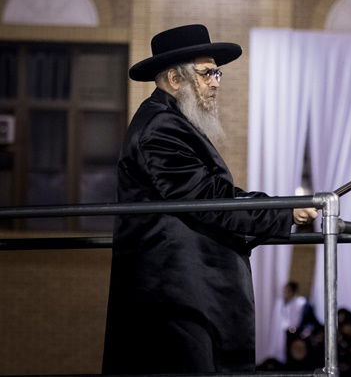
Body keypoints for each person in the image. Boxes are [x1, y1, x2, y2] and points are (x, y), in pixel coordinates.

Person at [102, 24, 319, 374]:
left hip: (185, 292)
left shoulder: (170, 120)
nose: (216, 82)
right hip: (176, 298)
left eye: (216, 72)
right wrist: (284, 211)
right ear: (174, 78)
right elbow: (208, 199)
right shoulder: (160, 127)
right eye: (206, 73)